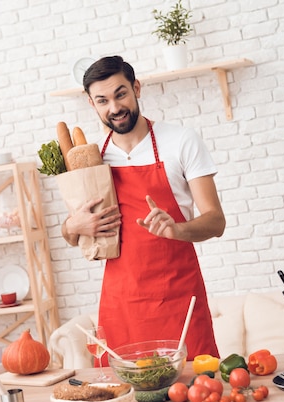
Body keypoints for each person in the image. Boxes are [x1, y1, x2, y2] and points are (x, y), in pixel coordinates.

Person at [61, 56, 226, 364]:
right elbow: (70, 233)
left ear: (136, 88)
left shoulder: (180, 141)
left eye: (120, 94)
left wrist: (177, 229)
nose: (114, 108)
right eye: (102, 100)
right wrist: (74, 227)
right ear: (91, 104)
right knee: (127, 400)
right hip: (122, 301)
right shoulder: (94, 160)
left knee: (196, 391)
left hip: (179, 298)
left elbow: (216, 221)